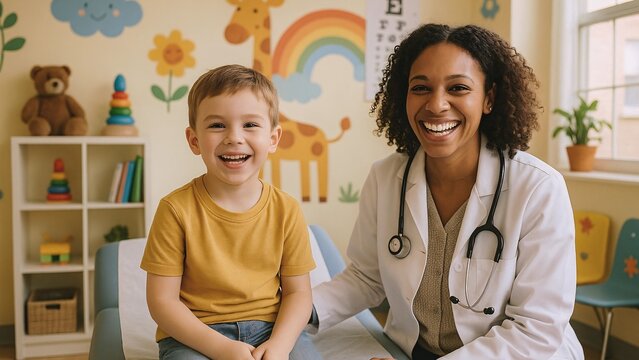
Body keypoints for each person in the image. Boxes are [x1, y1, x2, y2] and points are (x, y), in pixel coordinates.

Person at [311, 24, 584, 359]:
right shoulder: (386, 177)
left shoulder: (538, 188)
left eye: (457, 88)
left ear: (489, 98)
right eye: (421, 88)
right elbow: (366, 278)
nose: (437, 104)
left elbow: (535, 329)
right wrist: (298, 310)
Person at [141, 64, 320, 360]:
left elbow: (299, 294)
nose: (234, 137)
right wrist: (221, 348)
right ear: (194, 140)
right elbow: (162, 302)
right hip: (195, 335)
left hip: (270, 330)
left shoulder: (287, 210)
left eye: (250, 125)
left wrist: (280, 345)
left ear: (273, 139)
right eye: (217, 125)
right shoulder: (175, 210)